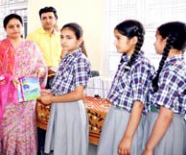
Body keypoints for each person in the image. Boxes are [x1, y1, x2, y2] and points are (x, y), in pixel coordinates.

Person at [0, 13, 47, 155]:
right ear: (5, 29)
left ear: (22, 27)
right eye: (11, 26)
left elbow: (41, 64)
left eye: (18, 26)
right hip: (7, 99)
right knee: (8, 131)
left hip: (28, 94)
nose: (15, 29)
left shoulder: (32, 46)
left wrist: (40, 70)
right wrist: (8, 78)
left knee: (26, 129)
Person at [97, 20, 155, 155]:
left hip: (128, 120)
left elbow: (138, 104)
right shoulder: (125, 60)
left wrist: (128, 138)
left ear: (134, 40)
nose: (115, 42)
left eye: (118, 38)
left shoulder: (141, 65)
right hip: (115, 115)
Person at [39, 23, 90, 155]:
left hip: (71, 108)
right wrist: (51, 92)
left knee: (70, 147)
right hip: (60, 105)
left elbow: (79, 94)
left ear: (79, 40)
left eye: (69, 38)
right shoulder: (66, 57)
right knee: (61, 146)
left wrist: (52, 98)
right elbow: (65, 86)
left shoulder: (80, 60)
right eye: (62, 37)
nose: (63, 41)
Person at [142, 21, 186, 155]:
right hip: (163, 124)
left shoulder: (172, 70)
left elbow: (166, 114)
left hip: (165, 128)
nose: (154, 43)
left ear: (165, 41)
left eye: (156, 38)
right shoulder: (175, 65)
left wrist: (149, 148)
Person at [26, 6, 62, 155]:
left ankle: (52, 146)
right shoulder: (33, 36)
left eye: (50, 17)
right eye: (44, 18)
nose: (47, 20)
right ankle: (40, 147)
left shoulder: (61, 36)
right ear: (40, 19)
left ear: (55, 19)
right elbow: (27, 60)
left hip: (57, 80)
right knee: (40, 116)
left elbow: (63, 58)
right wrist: (45, 68)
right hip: (39, 80)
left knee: (55, 114)